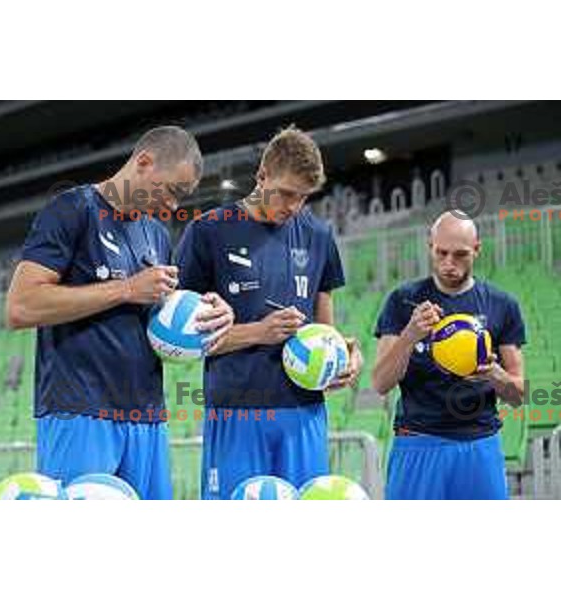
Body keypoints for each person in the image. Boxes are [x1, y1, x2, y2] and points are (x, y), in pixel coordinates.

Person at [6, 126, 234, 499]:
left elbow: (163, 315)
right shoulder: (71, 209)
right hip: (80, 412)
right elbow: (21, 306)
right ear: (143, 163)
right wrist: (127, 288)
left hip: (148, 418)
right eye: (172, 190)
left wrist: (209, 314)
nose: (173, 205)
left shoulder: (157, 235)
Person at [176, 127, 363, 499]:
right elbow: (182, 338)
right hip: (237, 412)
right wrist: (258, 332)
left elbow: (326, 329)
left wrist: (343, 356)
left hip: (304, 411)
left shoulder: (319, 235)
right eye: (287, 194)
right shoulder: (209, 231)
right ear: (262, 176)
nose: (293, 206)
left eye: (304, 197)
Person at [372, 211, 526, 500]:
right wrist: (410, 335)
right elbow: (380, 383)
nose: (448, 264)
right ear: (430, 245)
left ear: (477, 249)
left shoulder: (502, 305)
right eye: (441, 253)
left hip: (479, 443)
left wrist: (494, 373)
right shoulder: (402, 300)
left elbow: (518, 395)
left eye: (460, 255)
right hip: (416, 442)